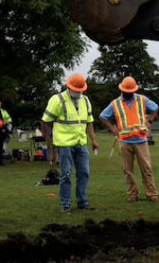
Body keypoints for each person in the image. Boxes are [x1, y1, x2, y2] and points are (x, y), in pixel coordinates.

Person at [41, 73, 99, 213]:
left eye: (81, 90)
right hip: (65, 143)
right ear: (69, 87)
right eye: (76, 90)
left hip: (81, 143)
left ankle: (83, 203)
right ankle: (65, 204)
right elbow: (45, 120)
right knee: (66, 173)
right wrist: (48, 138)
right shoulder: (58, 99)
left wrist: (94, 140)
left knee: (84, 173)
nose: (79, 93)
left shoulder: (85, 100)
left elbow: (89, 122)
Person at [99, 76, 159, 203]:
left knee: (146, 168)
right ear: (122, 90)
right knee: (128, 170)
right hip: (125, 141)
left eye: (131, 91)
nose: (129, 93)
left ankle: (152, 194)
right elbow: (103, 116)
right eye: (127, 91)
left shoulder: (142, 99)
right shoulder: (115, 104)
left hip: (141, 140)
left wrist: (150, 121)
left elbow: (155, 108)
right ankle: (132, 194)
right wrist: (113, 128)